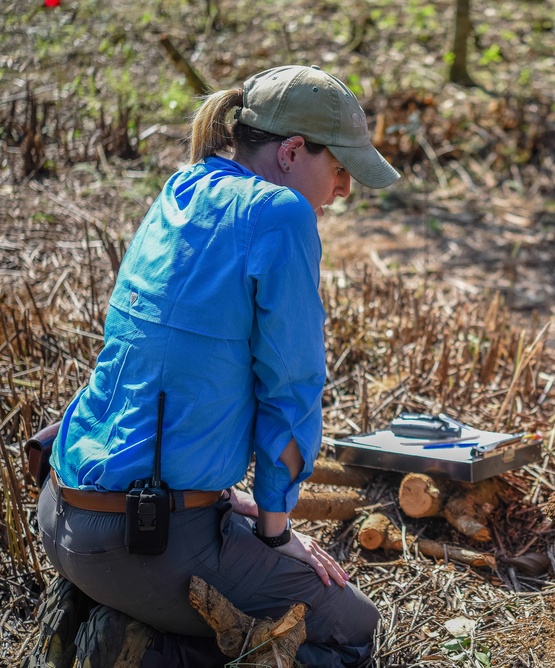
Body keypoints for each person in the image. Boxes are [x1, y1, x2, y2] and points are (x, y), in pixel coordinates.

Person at [28, 65, 400, 668]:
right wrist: (277, 534)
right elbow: (292, 388)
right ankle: (145, 650)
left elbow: (171, 363)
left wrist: (221, 492)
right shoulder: (281, 213)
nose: (343, 190)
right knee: (353, 632)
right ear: (292, 151)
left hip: (63, 513)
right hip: (147, 541)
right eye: (339, 169)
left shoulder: (183, 187)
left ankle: (97, 611)